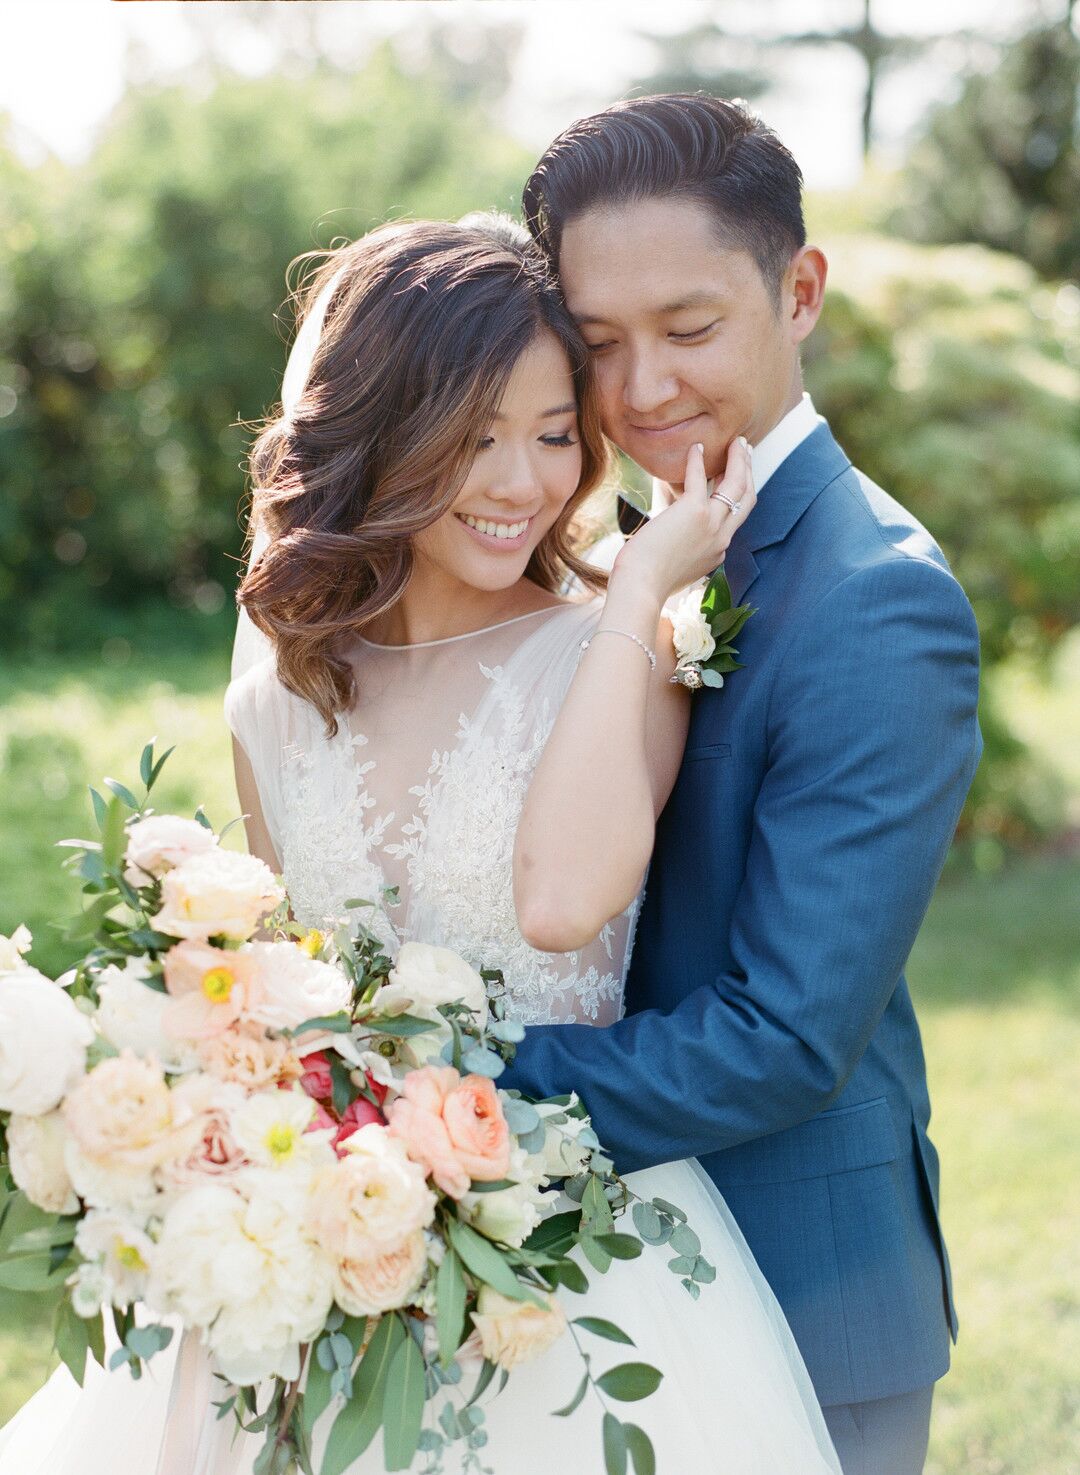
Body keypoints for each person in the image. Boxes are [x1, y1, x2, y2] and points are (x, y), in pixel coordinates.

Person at [0, 217, 840, 1473]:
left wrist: (634, 589)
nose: (520, 483)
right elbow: (286, 999)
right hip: (334, 1246)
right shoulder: (278, 701)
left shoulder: (618, 651)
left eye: (556, 434)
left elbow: (562, 903)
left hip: (565, 1266)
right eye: (471, 436)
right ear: (378, 433)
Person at [497, 95, 983, 1475]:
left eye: (689, 328)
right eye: (598, 343)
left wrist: (470, 1087)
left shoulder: (875, 597)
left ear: (801, 289)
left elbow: (785, 1031)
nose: (641, 386)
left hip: (804, 1293)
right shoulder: (620, 543)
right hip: (604, 1288)